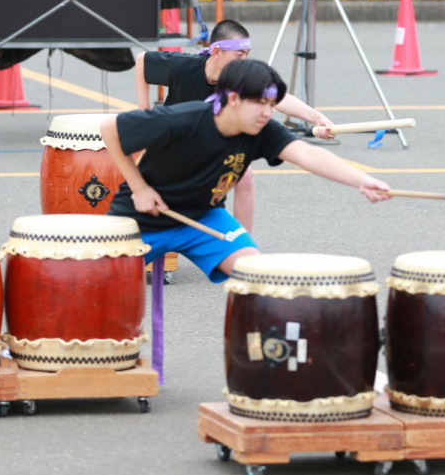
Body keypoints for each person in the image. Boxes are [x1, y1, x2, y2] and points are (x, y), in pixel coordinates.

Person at [105, 59, 388, 283]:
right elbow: (110, 130)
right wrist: (140, 188)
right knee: (92, 284)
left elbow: (307, 154)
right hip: (141, 218)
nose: (267, 112)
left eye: (271, 104)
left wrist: (362, 180)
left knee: (257, 276)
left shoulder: (261, 130)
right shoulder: (183, 119)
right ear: (233, 98)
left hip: (204, 216)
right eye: (259, 103)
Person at [133, 18, 334, 233]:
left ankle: (242, 242)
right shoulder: (183, 66)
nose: (244, 60)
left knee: (245, 175)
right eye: (239, 56)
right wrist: (144, 109)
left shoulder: (240, 78)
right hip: (173, 142)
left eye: (247, 55)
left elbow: (279, 98)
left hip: (212, 142)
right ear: (217, 52)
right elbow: (143, 60)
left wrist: (317, 118)